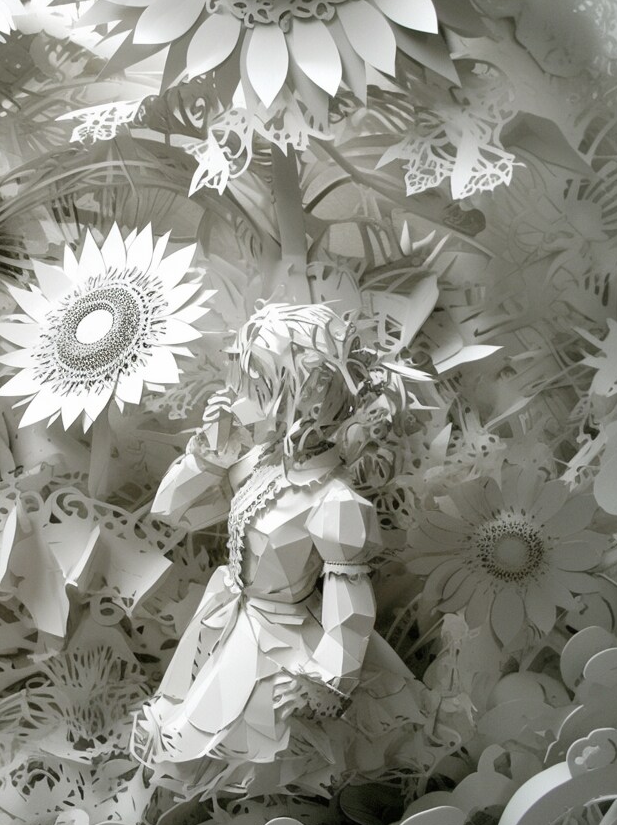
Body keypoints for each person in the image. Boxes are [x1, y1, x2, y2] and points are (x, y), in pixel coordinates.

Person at [135, 304, 433, 797]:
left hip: (284, 647)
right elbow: (173, 511)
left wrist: (327, 680)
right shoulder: (258, 461)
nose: (233, 394)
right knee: (194, 743)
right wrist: (209, 451)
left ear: (304, 396)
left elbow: (351, 605)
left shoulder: (335, 500)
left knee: (267, 766)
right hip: (229, 621)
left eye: (251, 384)